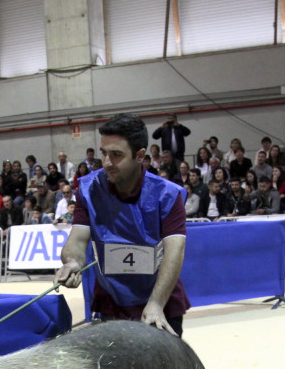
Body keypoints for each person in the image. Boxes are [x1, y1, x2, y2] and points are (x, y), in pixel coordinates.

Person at [56, 112, 189, 337]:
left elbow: (175, 250)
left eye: (116, 155)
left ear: (139, 155)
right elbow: (77, 240)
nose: (107, 163)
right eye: (104, 153)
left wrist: (156, 303)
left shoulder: (167, 194)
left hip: (159, 302)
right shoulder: (88, 189)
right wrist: (71, 262)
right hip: (112, 301)